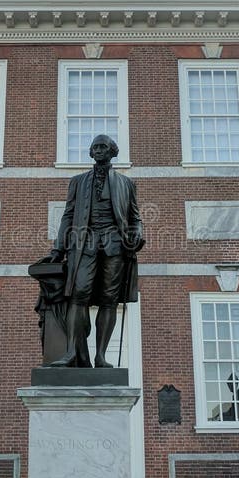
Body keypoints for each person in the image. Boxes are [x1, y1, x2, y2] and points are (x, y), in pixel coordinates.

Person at [48, 134, 144, 367]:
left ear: (113, 152)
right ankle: (71, 352)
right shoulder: (78, 181)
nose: (99, 151)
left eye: (104, 147)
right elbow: (68, 216)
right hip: (84, 244)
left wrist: (138, 232)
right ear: (91, 152)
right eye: (95, 147)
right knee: (78, 294)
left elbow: (134, 217)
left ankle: (101, 356)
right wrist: (58, 247)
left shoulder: (126, 184)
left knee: (109, 299)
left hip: (114, 245)